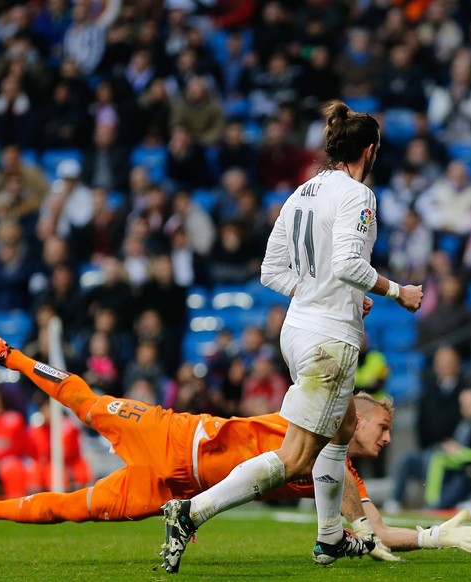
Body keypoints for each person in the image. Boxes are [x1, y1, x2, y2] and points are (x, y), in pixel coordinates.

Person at [0, 326, 471, 563]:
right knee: (87, 401)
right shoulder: (313, 410)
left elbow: (374, 530)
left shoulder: (341, 477)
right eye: (384, 427)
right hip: (173, 432)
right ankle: (9, 354)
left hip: (174, 485)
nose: (388, 437)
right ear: (363, 410)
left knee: (73, 508)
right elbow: (326, 358)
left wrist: (432, 538)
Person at [158, 99, 424, 573]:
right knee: (296, 457)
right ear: (370, 149)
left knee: (341, 429)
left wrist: (324, 291)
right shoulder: (359, 196)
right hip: (328, 339)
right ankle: (191, 513)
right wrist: (396, 291)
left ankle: (330, 540)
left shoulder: (302, 192)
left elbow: (270, 271)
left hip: (297, 329)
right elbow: (346, 264)